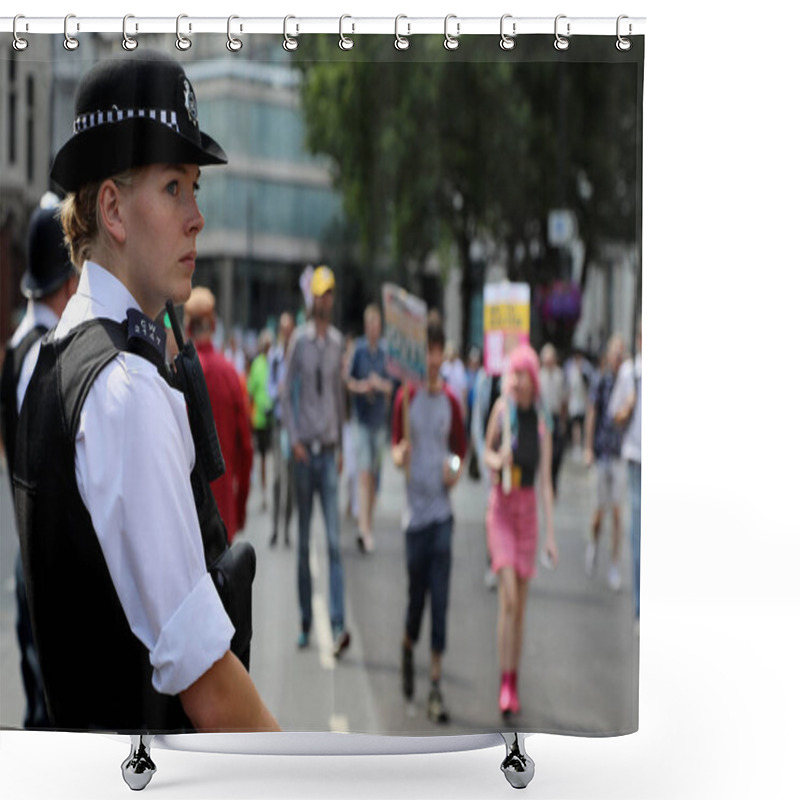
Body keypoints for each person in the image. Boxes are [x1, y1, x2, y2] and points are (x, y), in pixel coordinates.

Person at [12, 51, 279, 732]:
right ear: (113, 209)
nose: (196, 217)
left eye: (196, 189)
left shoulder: (60, 354)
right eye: (173, 187)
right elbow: (208, 685)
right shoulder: (126, 390)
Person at [0, 197, 78, 729]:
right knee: (48, 727)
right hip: (48, 576)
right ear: (70, 279)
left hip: (32, 568)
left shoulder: (17, 347)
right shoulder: (44, 356)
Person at [391, 313, 467, 723]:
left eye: (438, 351)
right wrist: (399, 454)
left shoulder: (452, 401)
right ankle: (406, 646)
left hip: (441, 516)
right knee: (416, 602)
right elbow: (395, 447)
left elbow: (460, 449)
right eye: (427, 352)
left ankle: (435, 686)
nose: (433, 358)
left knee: (440, 601)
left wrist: (453, 468)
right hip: (414, 518)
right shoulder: (406, 397)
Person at [483, 343, 558, 717]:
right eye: (513, 373)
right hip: (501, 510)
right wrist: (499, 459)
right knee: (508, 599)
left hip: (528, 513)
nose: (517, 380)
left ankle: (513, 680)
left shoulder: (541, 422)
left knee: (522, 610)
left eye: (522, 374)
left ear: (533, 379)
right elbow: (486, 451)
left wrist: (551, 536)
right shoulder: (503, 410)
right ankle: (502, 678)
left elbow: (545, 483)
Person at [281, 265, 350, 658]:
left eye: (330, 294)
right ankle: (306, 621)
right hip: (305, 455)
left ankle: (338, 622)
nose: (325, 300)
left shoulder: (338, 343)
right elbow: (283, 391)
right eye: (321, 293)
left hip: (328, 453)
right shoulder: (300, 344)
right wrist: (293, 440)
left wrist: (340, 444)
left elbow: (339, 398)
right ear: (313, 300)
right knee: (305, 541)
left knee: (334, 544)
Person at [184, 286, 254, 540]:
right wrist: (240, 508)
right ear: (213, 325)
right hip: (223, 511)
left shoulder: (177, 377)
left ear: (188, 328)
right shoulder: (231, 375)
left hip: (187, 513)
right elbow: (246, 448)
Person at [347, 304, 392, 553]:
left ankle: (368, 523)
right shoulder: (359, 350)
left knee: (374, 476)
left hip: (379, 423)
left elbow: (394, 387)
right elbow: (348, 381)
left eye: (377, 325)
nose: (374, 329)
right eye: (370, 325)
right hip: (362, 421)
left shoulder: (386, 353)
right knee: (364, 474)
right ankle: (363, 528)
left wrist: (380, 385)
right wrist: (363, 386)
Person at [584, 334, 627, 592]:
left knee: (618, 513)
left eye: (622, 353)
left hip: (621, 453)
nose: (618, 358)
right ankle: (593, 543)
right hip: (602, 452)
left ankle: (614, 565)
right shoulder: (601, 381)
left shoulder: (629, 382)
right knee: (599, 512)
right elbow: (592, 413)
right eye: (615, 353)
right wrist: (588, 447)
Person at [609, 321, 642, 629]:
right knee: (639, 532)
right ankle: (640, 607)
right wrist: (629, 407)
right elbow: (613, 413)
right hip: (636, 458)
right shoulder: (630, 373)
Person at [268, 311, 295, 547]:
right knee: (278, 478)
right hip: (278, 424)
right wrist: (279, 390)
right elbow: (269, 390)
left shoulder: (297, 358)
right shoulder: (274, 358)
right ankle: (275, 527)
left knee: (291, 481)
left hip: (293, 426)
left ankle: (287, 528)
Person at [248, 327, 274, 511]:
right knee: (262, 458)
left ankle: (270, 491)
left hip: (273, 418)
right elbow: (250, 390)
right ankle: (264, 492)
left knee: (271, 458)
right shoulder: (257, 364)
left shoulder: (275, 361)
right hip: (259, 419)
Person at [538, 343, 568, 497]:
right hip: (543, 418)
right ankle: (546, 482)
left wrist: (563, 420)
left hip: (555, 418)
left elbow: (563, 400)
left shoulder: (559, 375)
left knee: (557, 453)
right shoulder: (539, 375)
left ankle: (553, 481)